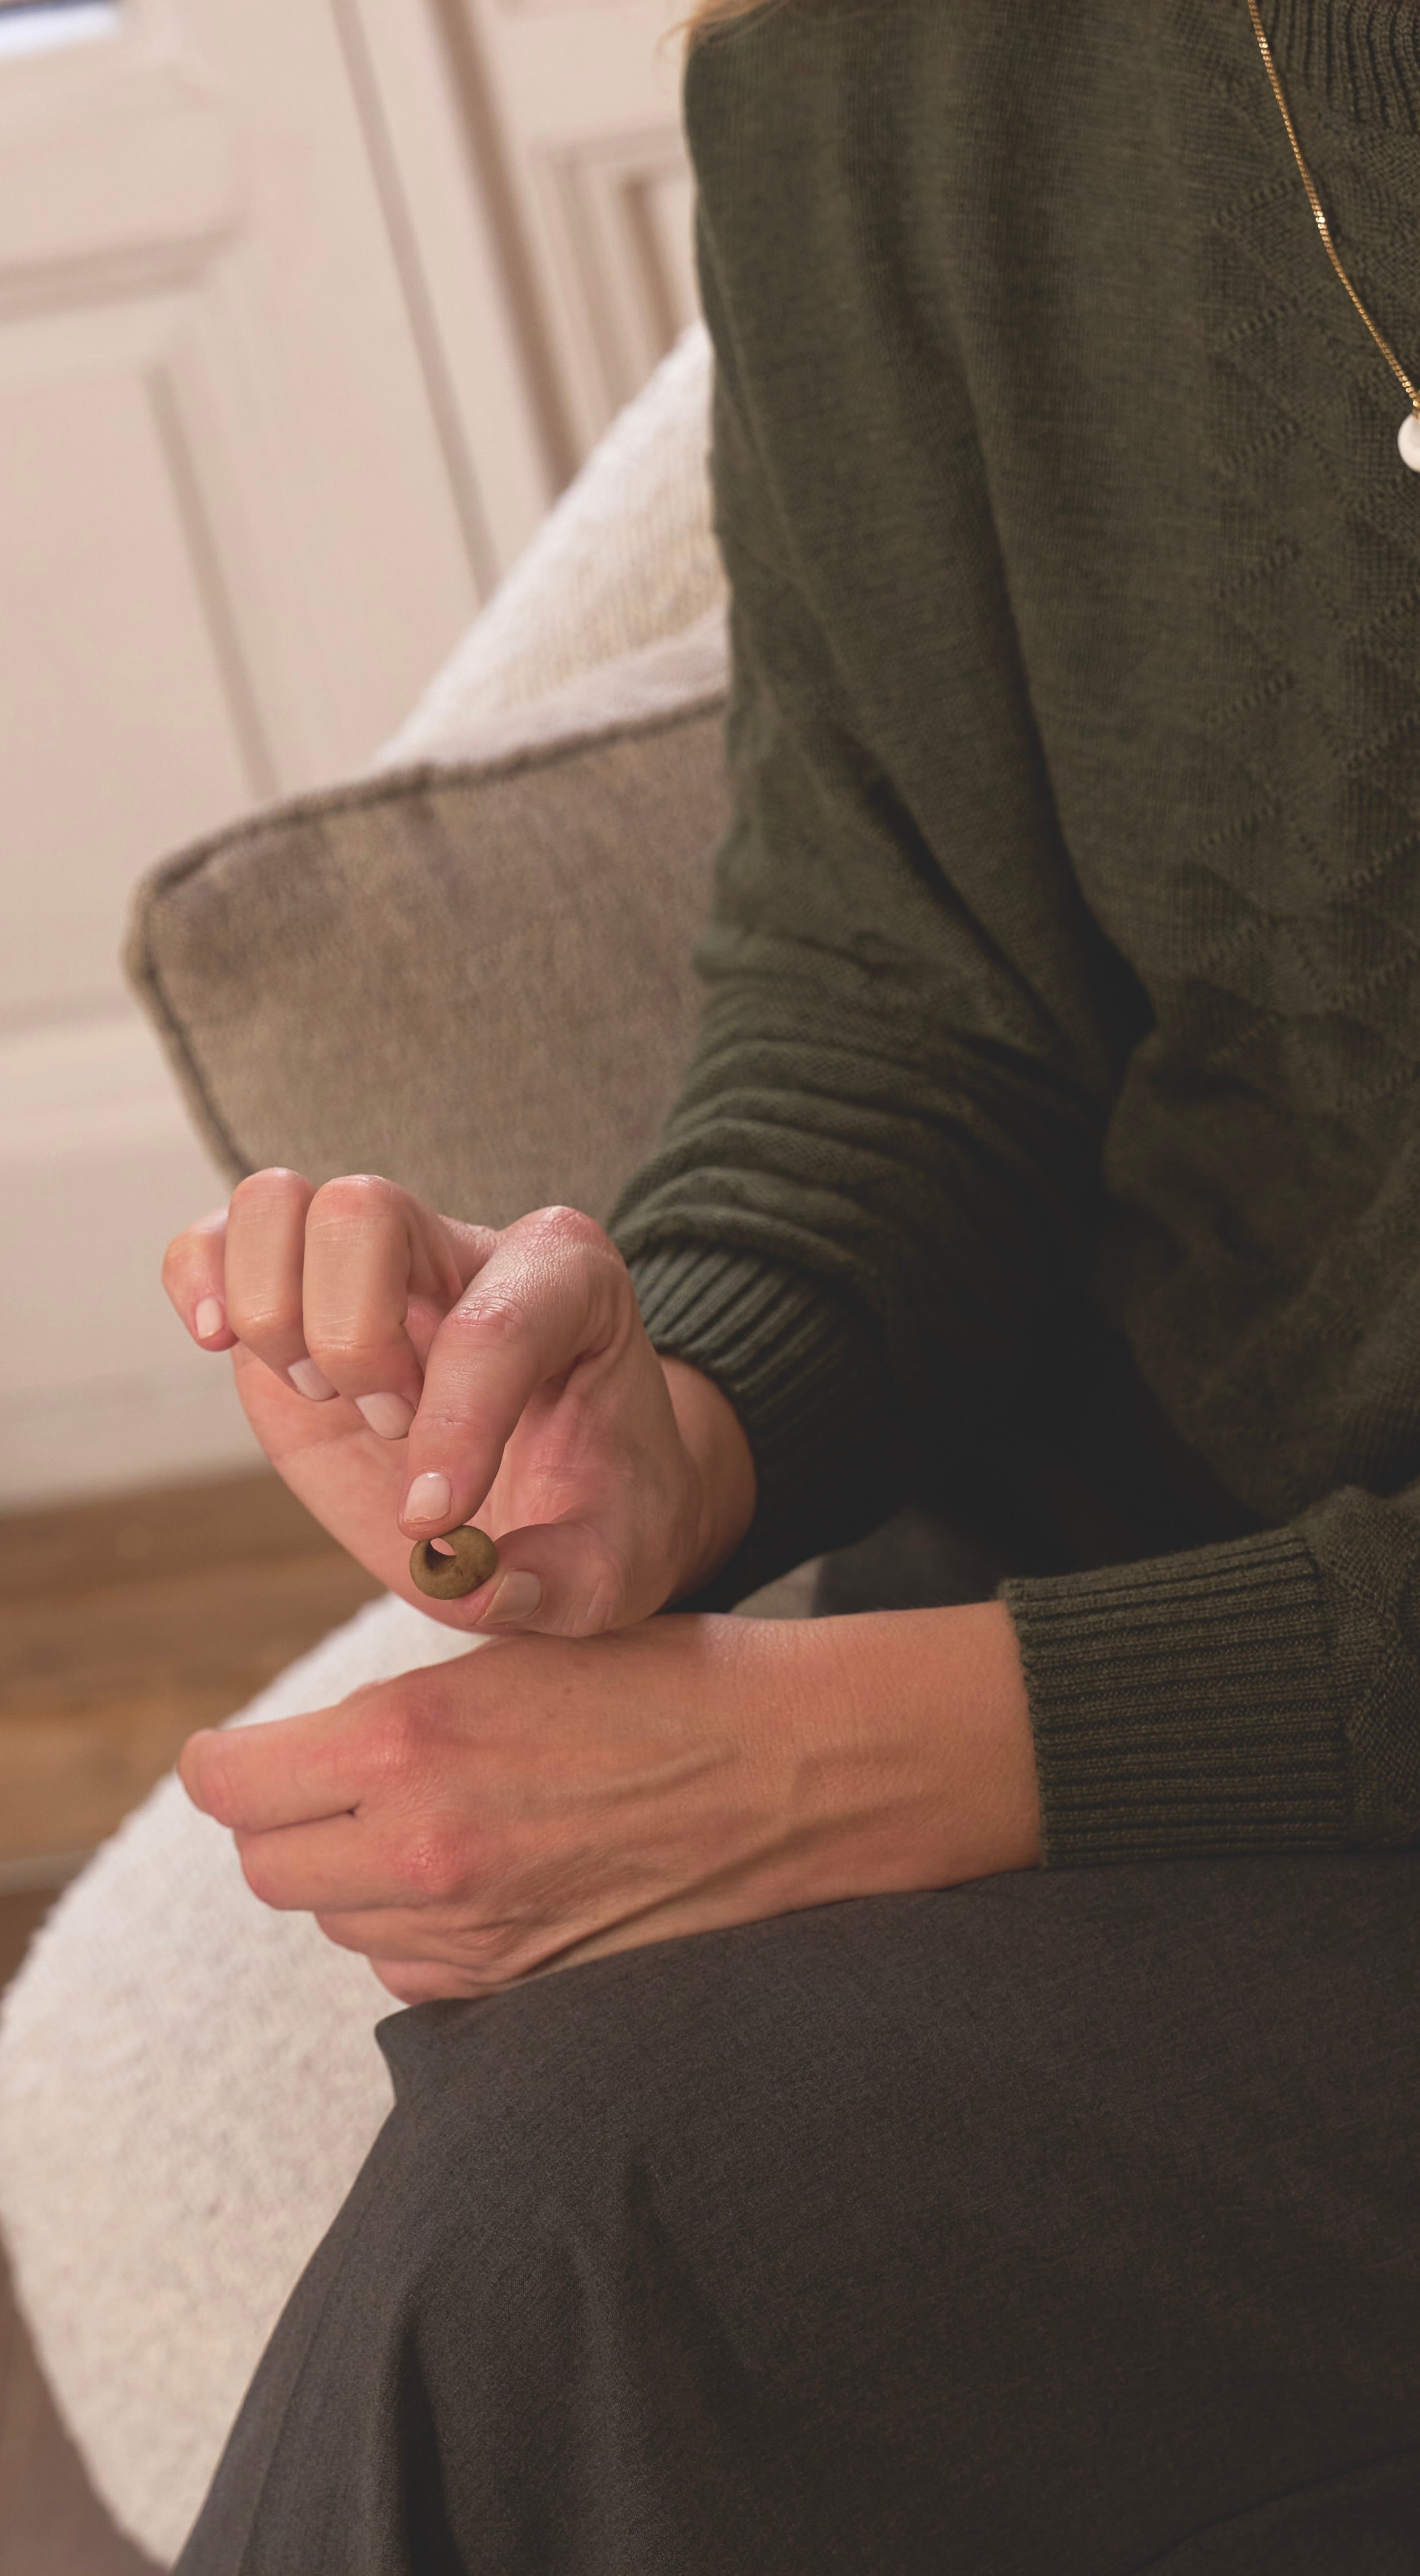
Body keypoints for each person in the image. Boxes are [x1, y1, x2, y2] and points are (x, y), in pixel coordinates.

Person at [158, 0, 1420, 2565]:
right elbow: (915, 966)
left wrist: (878, 1751)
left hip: (1225, 1743)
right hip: (1167, 1644)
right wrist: (678, 1410)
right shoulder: (874, 58)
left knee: (563, 2252)